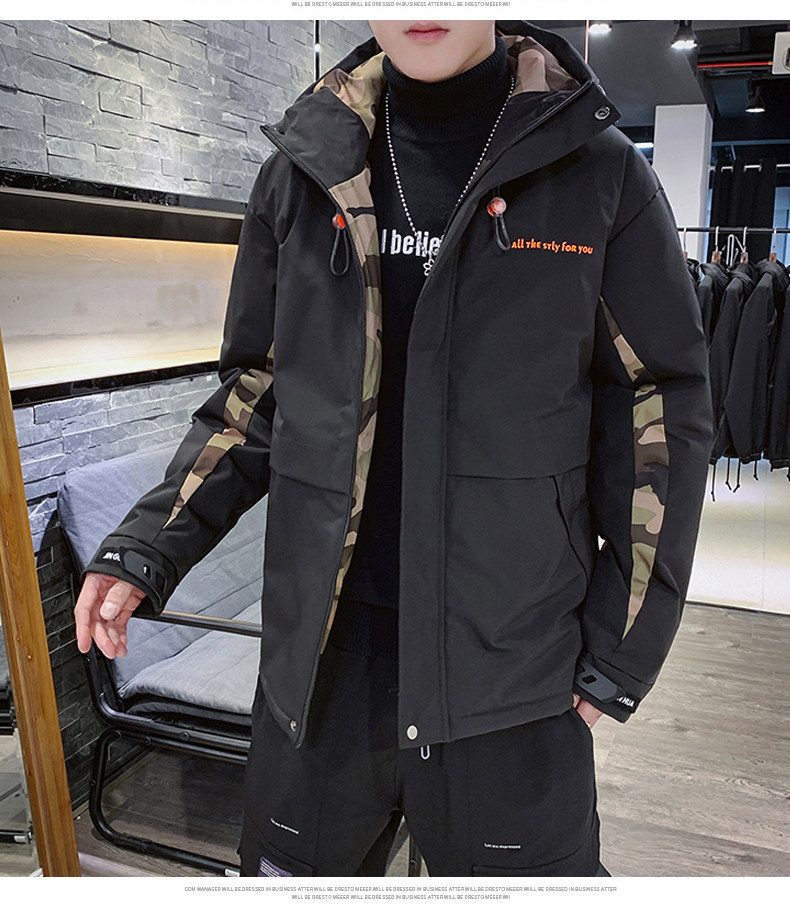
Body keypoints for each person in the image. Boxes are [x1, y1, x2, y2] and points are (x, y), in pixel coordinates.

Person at [74, 19, 714, 877]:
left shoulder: (598, 174)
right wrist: (148, 543)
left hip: (512, 675)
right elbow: (258, 392)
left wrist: (619, 649)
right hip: (319, 674)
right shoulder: (303, 170)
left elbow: (659, 414)